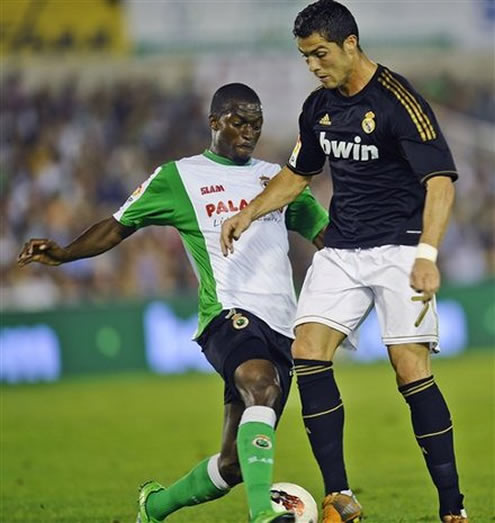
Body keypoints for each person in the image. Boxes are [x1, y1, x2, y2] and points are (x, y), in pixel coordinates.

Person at [17, 83, 329, 523]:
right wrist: (66, 253)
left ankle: (155, 506)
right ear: (214, 122)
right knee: (261, 384)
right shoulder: (179, 177)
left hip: (282, 326)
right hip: (227, 314)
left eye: (255, 125)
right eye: (238, 122)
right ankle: (262, 516)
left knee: (234, 465)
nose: (248, 132)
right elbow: (118, 225)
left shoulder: (277, 179)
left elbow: (324, 236)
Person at [220, 3, 468, 523]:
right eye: (306, 56)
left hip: (401, 248)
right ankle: (340, 497)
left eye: (320, 54)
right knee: (308, 352)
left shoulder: (400, 102)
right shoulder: (318, 109)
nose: (313, 65)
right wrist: (248, 213)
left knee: (409, 370)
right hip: (341, 249)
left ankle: (452, 508)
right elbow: (297, 173)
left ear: (350, 43)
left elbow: (440, 181)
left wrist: (427, 254)